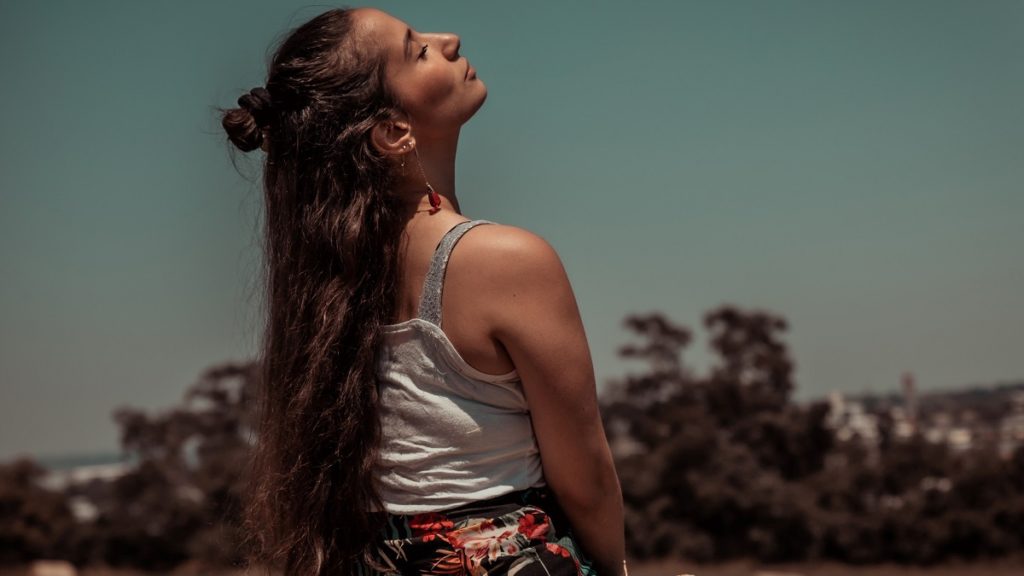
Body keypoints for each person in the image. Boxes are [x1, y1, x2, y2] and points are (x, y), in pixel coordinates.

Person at [220, 7, 624, 576]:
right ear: (392, 132)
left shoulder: (322, 282)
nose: (449, 39)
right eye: (417, 51)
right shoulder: (505, 260)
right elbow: (583, 479)